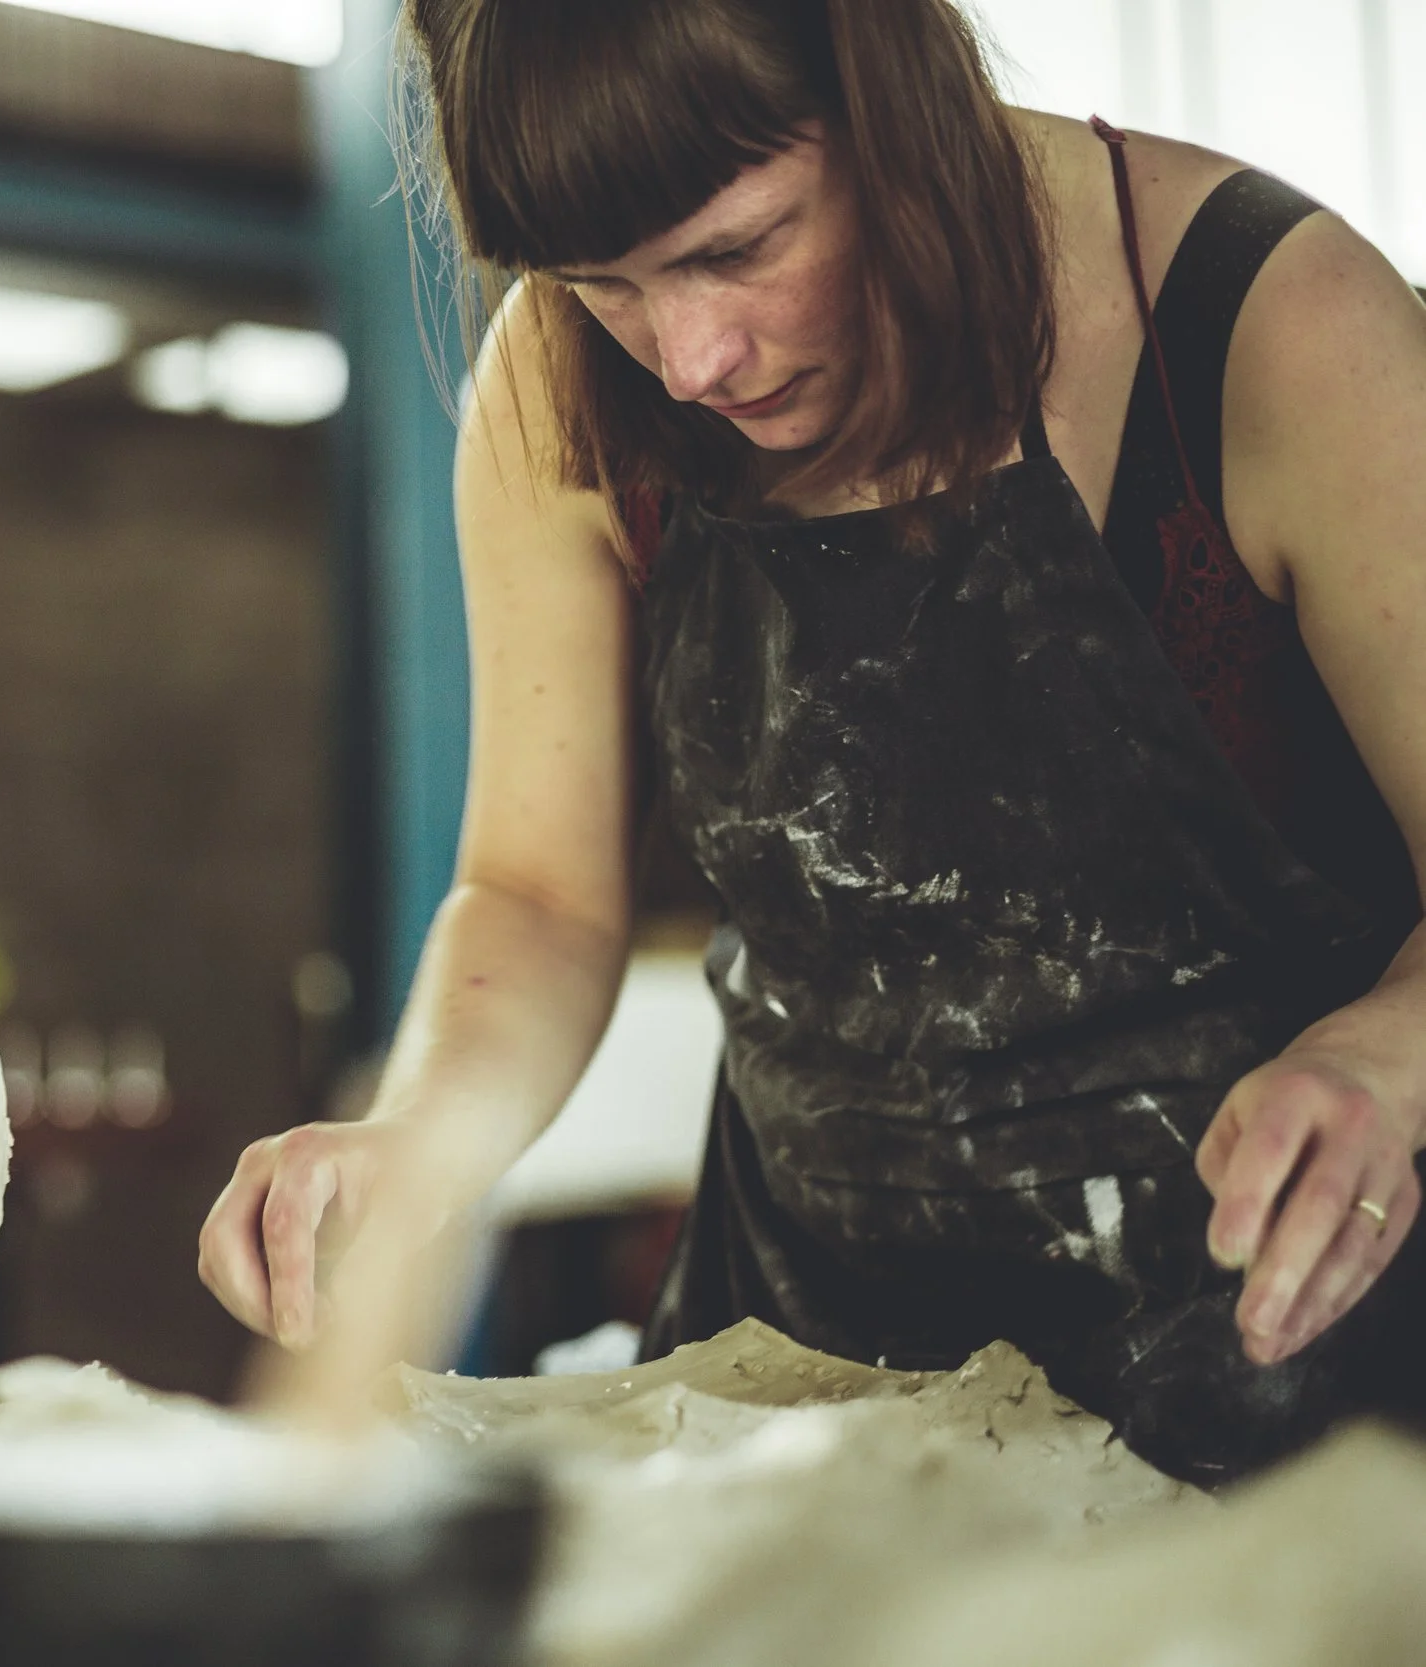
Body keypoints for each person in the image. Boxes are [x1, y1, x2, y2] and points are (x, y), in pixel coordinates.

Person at [199, 0, 1426, 1483]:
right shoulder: (559, 390)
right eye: (604, 283)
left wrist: (1385, 1057)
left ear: (893, 94)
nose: (690, 357)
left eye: (740, 246)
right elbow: (537, 895)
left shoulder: (1272, 330)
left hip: (1292, 1428)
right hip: (802, 1410)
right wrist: (412, 1137)